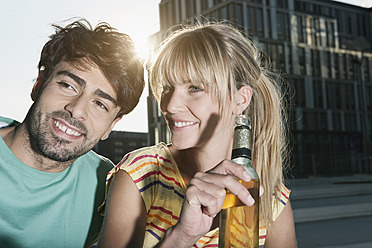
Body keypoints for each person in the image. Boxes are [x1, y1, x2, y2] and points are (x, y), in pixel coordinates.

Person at [97, 22, 297, 248]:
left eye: (194, 88)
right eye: (167, 87)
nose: (171, 105)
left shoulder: (269, 196)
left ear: (240, 99)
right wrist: (181, 237)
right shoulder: (139, 175)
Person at [0, 19, 144, 248]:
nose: (77, 110)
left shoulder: (113, 186)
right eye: (68, 86)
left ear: (111, 126)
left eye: (100, 104)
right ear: (39, 84)